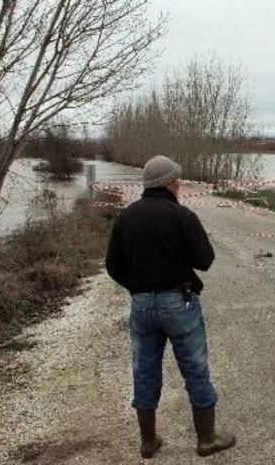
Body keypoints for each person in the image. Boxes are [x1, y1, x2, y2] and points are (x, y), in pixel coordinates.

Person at [105, 155, 235, 459]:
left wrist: (136, 287)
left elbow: (112, 265)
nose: (180, 184)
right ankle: (206, 440)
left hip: (141, 305)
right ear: (169, 183)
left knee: (144, 370)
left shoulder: (126, 217)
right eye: (178, 180)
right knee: (195, 368)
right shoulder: (183, 216)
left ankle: (148, 442)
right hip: (179, 302)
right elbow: (205, 260)